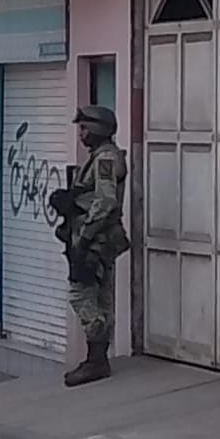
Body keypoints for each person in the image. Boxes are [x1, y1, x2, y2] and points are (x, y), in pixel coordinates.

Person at [55, 105, 130, 387]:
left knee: (82, 293)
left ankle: (96, 358)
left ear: (97, 129)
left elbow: (106, 200)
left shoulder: (106, 159)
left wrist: (84, 238)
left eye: (84, 128)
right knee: (100, 295)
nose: (81, 134)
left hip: (97, 238)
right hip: (95, 235)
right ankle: (96, 358)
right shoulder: (99, 157)